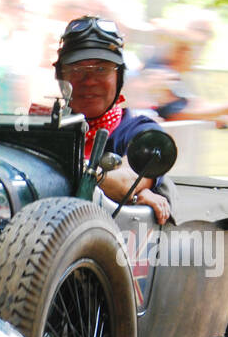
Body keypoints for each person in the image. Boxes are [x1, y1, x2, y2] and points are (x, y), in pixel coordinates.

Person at [47, 16, 171, 224]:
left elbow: (128, 181)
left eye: (102, 69)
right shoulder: (42, 129)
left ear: (119, 77)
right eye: (77, 70)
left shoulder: (142, 133)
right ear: (62, 77)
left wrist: (130, 193)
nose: (89, 81)